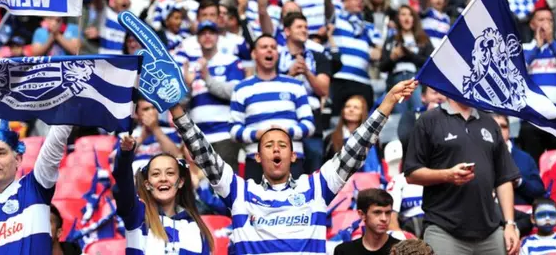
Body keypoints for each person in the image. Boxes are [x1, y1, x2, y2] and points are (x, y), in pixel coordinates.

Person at [175, 79, 417, 254]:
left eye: (283, 145)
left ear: (293, 155)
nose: (277, 149)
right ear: (257, 157)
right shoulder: (239, 191)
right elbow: (203, 152)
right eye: (269, 145)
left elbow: (355, 148)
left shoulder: (315, 187)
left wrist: (386, 104)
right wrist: (176, 110)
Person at [403, 98, 521, 255]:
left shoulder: (490, 122)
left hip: (490, 230)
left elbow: (504, 178)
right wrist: (447, 175)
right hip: (444, 229)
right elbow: (412, 174)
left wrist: (510, 224)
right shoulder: (428, 120)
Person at [0, 116, 72, 254]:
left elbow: (55, 144)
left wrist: (66, 106)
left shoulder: (34, 189)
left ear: (17, 159)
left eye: (0, 153)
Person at [229, 34, 315, 182]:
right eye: (264, 47)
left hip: (292, 160)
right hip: (256, 160)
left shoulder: (295, 85)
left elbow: (309, 125)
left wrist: (286, 133)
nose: (269, 50)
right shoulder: (241, 88)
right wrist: (259, 134)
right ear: (254, 54)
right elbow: (234, 130)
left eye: (273, 47)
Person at [113, 136, 213, 254]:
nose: (163, 179)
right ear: (147, 184)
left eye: (170, 173)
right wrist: (125, 156)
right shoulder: (138, 216)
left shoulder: (196, 227)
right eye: (156, 174)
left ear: (180, 182)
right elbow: (123, 186)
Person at [182, 20, 246, 172]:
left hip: (224, 135)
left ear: (218, 37)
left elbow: (235, 93)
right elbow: (182, 104)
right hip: (198, 139)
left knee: (226, 188)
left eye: (211, 33)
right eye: (203, 33)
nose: (207, 36)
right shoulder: (190, 67)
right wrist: (187, 87)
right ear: (197, 39)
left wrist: (207, 79)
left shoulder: (230, 61)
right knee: (202, 190)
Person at [276, 12, 331, 174]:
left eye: (306, 27)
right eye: (299, 27)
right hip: (284, 118)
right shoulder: (276, 56)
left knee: (314, 170)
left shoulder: (318, 56)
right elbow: (268, 88)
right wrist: (290, 75)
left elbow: (323, 90)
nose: (304, 30)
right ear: (287, 31)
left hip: (312, 117)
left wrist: (307, 72)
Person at [520, 8, 556, 164]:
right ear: (532, 24)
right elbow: (519, 69)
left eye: (549, 20)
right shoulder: (523, 48)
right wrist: (537, 46)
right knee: (532, 165)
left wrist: (551, 42)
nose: (546, 24)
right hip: (531, 118)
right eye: (541, 20)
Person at [380, 5, 433, 113]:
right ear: (398, 19)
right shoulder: (391, 40)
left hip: (416, 80)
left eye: (410, 14)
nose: (407, 18)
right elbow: (382, 66)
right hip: (396, 80)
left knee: (417, 114)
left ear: (414, 18)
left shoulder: (423, 39)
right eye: (403, 14)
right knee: (399, 117)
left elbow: (430, 63)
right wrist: (392, 58)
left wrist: (409, 54)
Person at [492, 114, 545, 205]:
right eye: (493, 126)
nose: (499, 130)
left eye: (503, 127)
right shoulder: (475, 155)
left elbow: (539, 192)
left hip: (520, 213)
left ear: (509, 131)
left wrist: (520, 182)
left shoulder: (525, 158)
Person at [334, 189, 404, 255]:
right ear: (362, 214)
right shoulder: (344, 251)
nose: (384, 218)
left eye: (388, 213)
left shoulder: (402, 250)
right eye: (377, 212)